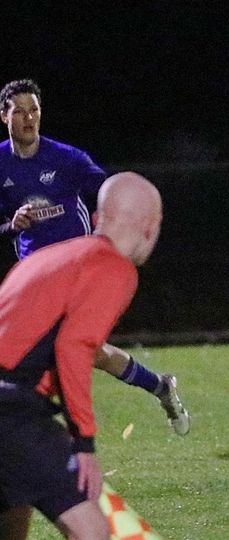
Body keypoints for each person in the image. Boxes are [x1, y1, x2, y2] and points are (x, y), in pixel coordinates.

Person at [0, 79, 189, 435]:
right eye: (20, 110)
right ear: (3, 116)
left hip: (77, 276)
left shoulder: (66, 159)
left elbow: (109, 196)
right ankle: (160, 386)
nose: (29, 118)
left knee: (64, 350)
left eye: (35, 110)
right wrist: (12, 226)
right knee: (82, 352)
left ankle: (49, 434)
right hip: (33, 276)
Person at [0, 172, 162, 539]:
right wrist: (84, 442)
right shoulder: (113, 267)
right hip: (12, 410)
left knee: (14, 515)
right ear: (151, 228)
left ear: (98, 216)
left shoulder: (48, 258)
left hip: (9, 412)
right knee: (93, 531)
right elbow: (73, 347)